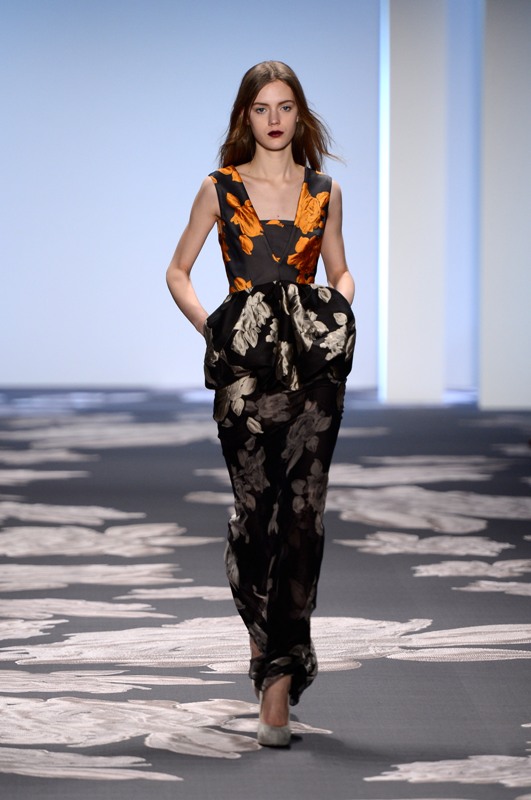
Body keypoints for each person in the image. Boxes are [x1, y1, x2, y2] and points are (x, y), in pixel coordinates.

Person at [166, 60, 356, 747]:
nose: (274, 119)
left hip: (312, 376)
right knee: (257, 516)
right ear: (245, 116)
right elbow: (177, 270)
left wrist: (336, 312)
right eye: (260, 108)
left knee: (302, 517)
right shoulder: (219, 189)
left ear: (299, 115)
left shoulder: (323, 192)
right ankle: (264, 640)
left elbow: (339, 268)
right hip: (246, 378)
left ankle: (276, 684)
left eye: (285, 106)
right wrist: (213, 327)